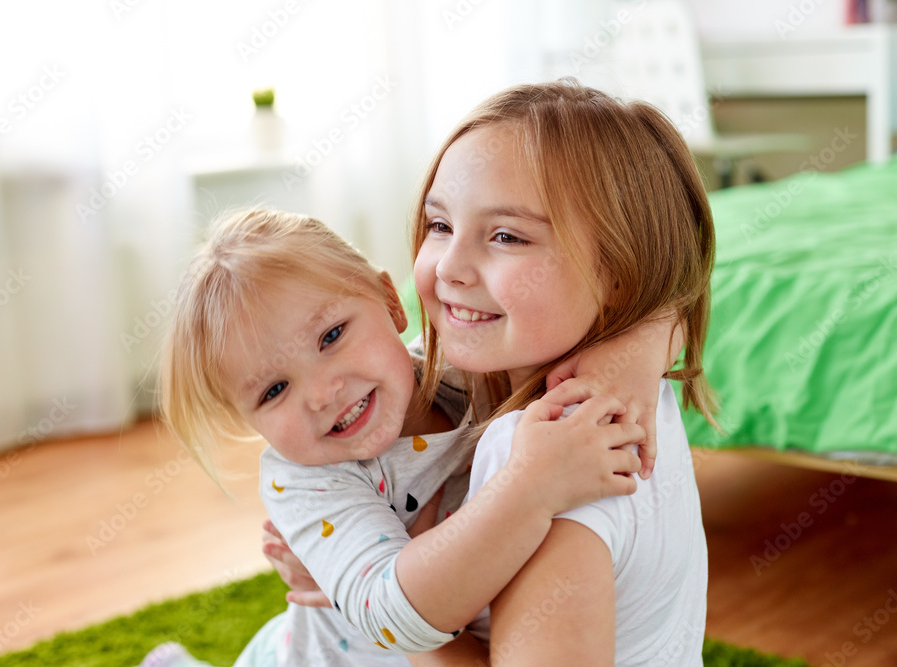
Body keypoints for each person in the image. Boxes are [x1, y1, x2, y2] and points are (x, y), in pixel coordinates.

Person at [269, 79, 715, 666]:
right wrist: (650, 332)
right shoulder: (630, 392)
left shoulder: (548, 452)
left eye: (506, 236)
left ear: (621, 274)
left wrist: (357, 599)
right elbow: (665, 293)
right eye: (439, 225)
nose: (451, 266)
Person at [154, 207, 670, 667]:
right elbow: (395, 616)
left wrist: (636, 362)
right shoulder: (305, 481)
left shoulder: (469, 367)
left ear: (389, 303)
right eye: (274, 390)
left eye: (331, 336)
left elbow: (665, 307)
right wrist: (531, 489)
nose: (321, 393)